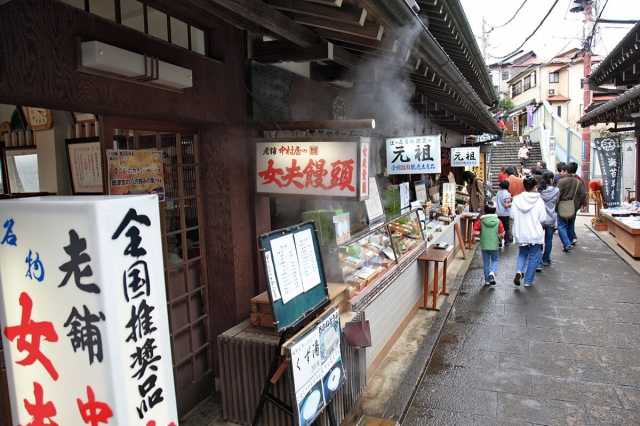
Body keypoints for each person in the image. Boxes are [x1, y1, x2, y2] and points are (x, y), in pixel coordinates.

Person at [510, 176, 546, 287]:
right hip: (535, 233)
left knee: (522, 253)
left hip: (521, 232)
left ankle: (519, 271)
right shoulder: (539, 200)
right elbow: (543, 218)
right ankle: (528, 280)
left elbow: (512, 215)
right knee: (534, 256)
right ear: (535, 187)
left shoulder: (516, 199)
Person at [473, 200, 505, 286]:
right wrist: (499, 237)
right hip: (494, 245)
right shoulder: (498, 221)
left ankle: (487, 280)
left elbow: (475, 232)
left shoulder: (481, 221)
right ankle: (492, 272)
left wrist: (479, 235)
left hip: (484, 245)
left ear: (485, 211)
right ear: (495, 210)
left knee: (486, 262)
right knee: (495, 260)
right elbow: (502, 234)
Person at [556, 163, 586, 252]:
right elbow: (583, 194)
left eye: (562, 171)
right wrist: (578, 205)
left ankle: (566, 243)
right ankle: (569, 241)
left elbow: (557, 195)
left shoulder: (561, 182)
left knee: (561, 225)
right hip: (573, 206)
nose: (561, 173)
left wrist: (556, 205)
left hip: (562, 205)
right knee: (571, 224)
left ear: (566, 171)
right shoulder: (578, 181)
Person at [537, 171, 560, 268]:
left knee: (538, 239)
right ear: (551, 179)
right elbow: (557, 202)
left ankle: (538, 260)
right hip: (551, 218)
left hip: (540, 219)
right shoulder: (557, 191)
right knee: (549, 240)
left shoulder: (539, 191)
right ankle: (546, 259)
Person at [496, 180, 512, 246]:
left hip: (499, 213)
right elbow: (506, 204)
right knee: (506, 228)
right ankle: (506, 241)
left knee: (499, 227)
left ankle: (499, 241)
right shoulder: (507, 194)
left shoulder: (498, 193)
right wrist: (512, 203)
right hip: (505, 213)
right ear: (508, 186)